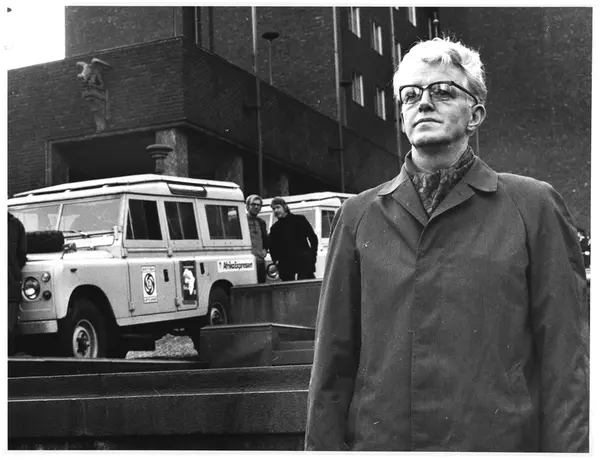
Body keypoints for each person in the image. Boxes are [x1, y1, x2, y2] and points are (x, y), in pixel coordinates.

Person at [305, 37, 589, 452]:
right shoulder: (358, 215)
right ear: (402, 117)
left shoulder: (534, 205)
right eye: (410, 95)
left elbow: (566, 357)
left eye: (442, 91)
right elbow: (332, 359)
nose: (423, 103)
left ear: (475, 114)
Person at [268, 197, 318, 281]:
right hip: (286, 267)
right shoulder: (274, 228)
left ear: (285, 207)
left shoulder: (300, 220)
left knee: (306, 287)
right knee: (288, 288)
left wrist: (312, 256)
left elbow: (313, 238)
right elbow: (272, 248)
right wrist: (276, 261)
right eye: (273, 209)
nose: (276, 210)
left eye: (278, 207)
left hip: (304, 263)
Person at [8, 212, 27, 356]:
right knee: (9, 325)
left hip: (11, 282)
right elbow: (22, 254)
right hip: (10, 282)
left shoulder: (15, 224)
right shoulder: (15, 224)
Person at [245, 194, 269, 283]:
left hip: (260, 262)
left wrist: (265, 249)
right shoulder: (242, 220)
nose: (256, 207)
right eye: (253, 204)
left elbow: (265, 239)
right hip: (247, 262)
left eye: (259, 205)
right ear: (247, 206)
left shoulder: (261, 222)